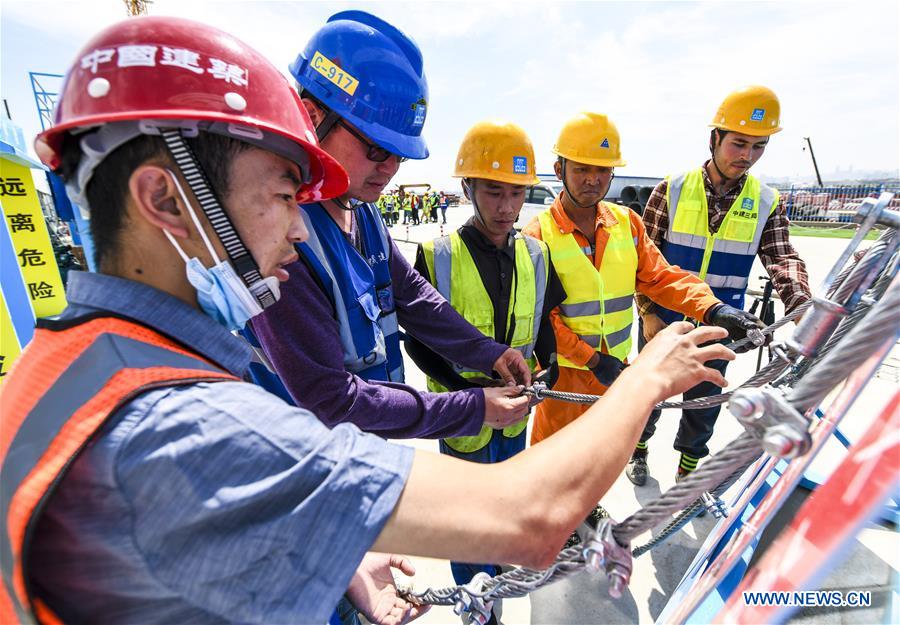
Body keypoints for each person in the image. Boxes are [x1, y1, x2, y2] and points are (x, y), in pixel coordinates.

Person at [0, 19, 739, 625]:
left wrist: (333, 546)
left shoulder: (87, 359)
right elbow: (532, 516)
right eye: (286, 192)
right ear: (165, 198)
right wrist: (643, 381)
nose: (299, 226)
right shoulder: (181, 425)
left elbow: (410, 298)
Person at [247, 11, 533, 441]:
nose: (391, 169)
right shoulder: (278, 241)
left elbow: (412, 295)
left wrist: (486, 352)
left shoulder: (360, 210)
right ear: (311, 116)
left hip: (366, 449)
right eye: (379, 149)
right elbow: (330, 400)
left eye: (401, 155)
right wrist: (469, 409)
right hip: (305, 467)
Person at [521, 112, 765, 445]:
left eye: (602, 170)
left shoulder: (627, 223)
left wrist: (713, 309)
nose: (593, 180)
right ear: (559, 169)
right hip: (566, 376)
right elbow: (541, 321)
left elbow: (661, 278)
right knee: (551, 458)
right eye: (581, 169)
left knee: (601, 453)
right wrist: (591, 360)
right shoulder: (536, 235)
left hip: (617, 369)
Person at [407, 120, 566, 609]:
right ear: (468, 188)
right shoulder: (437, 255)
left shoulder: (536, 253)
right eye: (493, 192)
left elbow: (542, 321)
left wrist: (551, 365)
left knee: (505, 503)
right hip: (464, 413)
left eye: (517, 194)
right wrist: (468, 395)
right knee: (468, 515)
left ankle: (494, 576)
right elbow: (418, 341)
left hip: (517, 409)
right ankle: (474, 606)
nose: (507, 208)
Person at [628, 86, 811, 485]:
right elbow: (643, 257)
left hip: (723, 323)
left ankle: (688, 470)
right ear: (714, 139)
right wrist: (647, 314)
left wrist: (801, 306)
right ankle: (638, 451)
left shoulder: (766, 201)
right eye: (738, 143)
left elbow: (782, 257)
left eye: (758, 147)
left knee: (704, 403)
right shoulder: (671, 189)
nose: (746, 156)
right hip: (665, 317)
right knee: (648, 395)